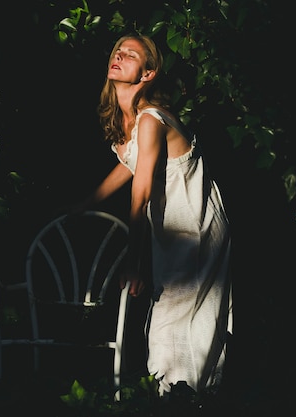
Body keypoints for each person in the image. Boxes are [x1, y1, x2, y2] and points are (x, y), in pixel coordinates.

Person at [72, 33, 233, 398]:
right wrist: (85, 204)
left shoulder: (150, 120)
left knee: (174, 327)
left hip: (196, 226)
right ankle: (185, 399)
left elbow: (141, 190)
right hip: (174, 229)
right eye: (117, 51)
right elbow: (128, 166)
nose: (120, 56)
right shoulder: (129, 125)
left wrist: (134, 261)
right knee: (175, 326)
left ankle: (181, 399)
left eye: (131, 55)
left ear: (147, 74)